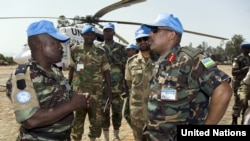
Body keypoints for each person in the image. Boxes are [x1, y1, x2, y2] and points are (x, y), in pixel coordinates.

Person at [142, 13, 232, 140]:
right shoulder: (160, 62)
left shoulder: (192, 59)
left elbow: (223, 90)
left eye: (155, 30)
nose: (150, 35)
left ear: (171, 35)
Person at [8, 20, 90, 141]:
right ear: (40, 45)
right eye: (56, 43)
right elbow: (30, 120)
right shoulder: (24, 75)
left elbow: (62, 97)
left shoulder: (56, 71)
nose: (61, 48)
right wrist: (73, 105)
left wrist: (79, 98)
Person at [69, 24, 112, 141]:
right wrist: (68, 87)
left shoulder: (100, 52)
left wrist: (109, 89)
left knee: (96, 119)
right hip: (79, 92)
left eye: (92, 34)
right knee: (78, 119)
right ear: (82, 35)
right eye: (87, 34)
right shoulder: (75, 50)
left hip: (96, 93)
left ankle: (92, 139)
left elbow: (106, 71)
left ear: (94, 36)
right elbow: (72, 68)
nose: (89, 36)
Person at [125, 25, 155, 141]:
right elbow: (129, 83)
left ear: (151, 39)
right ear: (136, 43)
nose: (142, 42)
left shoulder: (162, 60)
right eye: (139, 40)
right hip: (137, 112)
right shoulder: (131, 62)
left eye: (145, 38)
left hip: (156, 113)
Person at [99, 22, 128, 141]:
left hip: (117, 88)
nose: (108, 33)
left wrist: (125, 85)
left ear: (114, 33)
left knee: (117, 113)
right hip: (102, 88)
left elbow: (125, 67)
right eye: (106, 31)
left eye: (110, 31)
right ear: (103, 32)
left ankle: (116, 135)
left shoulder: (121, 48)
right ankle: (106, 137)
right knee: (104, 114)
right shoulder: (98, 48)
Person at [231, 42, 250, 125]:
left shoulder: (249, 58)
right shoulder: (238, 59)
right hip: (238, 83)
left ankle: (244, 120)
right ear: (244, 49)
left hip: (247, 83)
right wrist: (243, 70)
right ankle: (234, 120)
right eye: (248, 48)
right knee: (238, 102)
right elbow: (233, 72)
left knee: (245, 103)